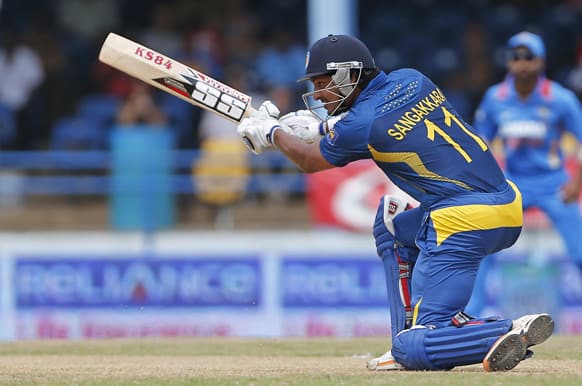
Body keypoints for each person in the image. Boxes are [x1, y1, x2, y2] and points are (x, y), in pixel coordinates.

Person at [236, 34, 554, 372]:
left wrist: (272, 133)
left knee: (416, 348)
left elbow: (310, 160)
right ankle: (410, 339)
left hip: (462, 219)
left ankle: (505, 331)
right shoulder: (412, 78)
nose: (317, 93)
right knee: (393, 229)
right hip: (505, 203)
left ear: (348, 75)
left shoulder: (363, 124)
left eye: (321, 82)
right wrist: (321, 127)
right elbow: (377, 117)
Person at [469, 32, 582, 315]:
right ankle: (472, 315)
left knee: (580, 251)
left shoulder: (560, 98)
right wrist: (486, 185)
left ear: (541, 61)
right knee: (484, 249)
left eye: (528, 56)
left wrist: (576, 183)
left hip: (553, 184)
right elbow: (478, 145)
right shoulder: (496, 98)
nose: (521, 63)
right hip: (512, 184)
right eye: (515, 56)